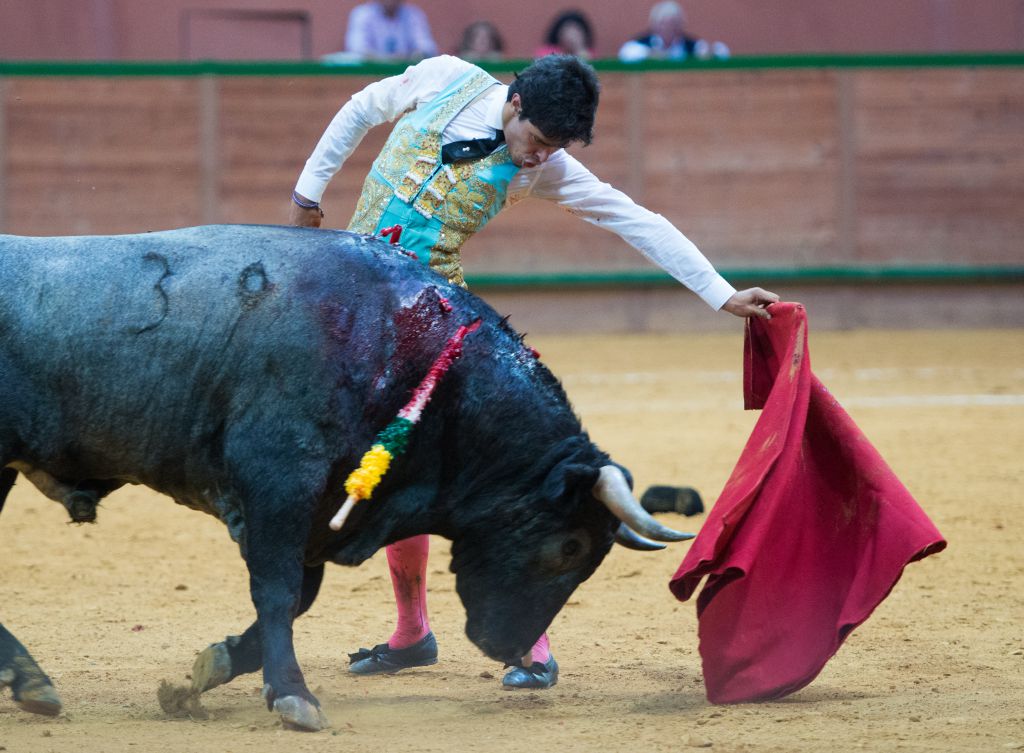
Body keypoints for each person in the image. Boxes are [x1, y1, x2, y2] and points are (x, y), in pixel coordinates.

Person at [288, 53, 778, 690]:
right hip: (357, 310)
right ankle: (411, 633)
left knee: (487, 470)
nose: (540, 156)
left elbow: (631, 217)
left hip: (436, 321)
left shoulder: (542, 168)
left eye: (555, 148)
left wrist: (721, 294)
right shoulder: (444, 77)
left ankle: (529, 643)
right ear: (515, 101)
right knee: (389, 468)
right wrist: (307, 195)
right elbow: (360, 109)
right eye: (539, 140)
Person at [618, 1, 730, 62]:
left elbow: (722, 52)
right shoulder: (643, 44)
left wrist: (710, 52)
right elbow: (626, 53)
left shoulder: (689, 45)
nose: (668, 28)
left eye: (673, 24)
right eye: (663, 23)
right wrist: (651, 54)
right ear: (655, 25)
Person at [344, 0, 437, 61]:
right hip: (369, 75)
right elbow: (357, 49)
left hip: (405, 74)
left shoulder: (413, 15)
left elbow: (427, 48)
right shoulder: (362, 14)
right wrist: (389, 59)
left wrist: (412, 56)